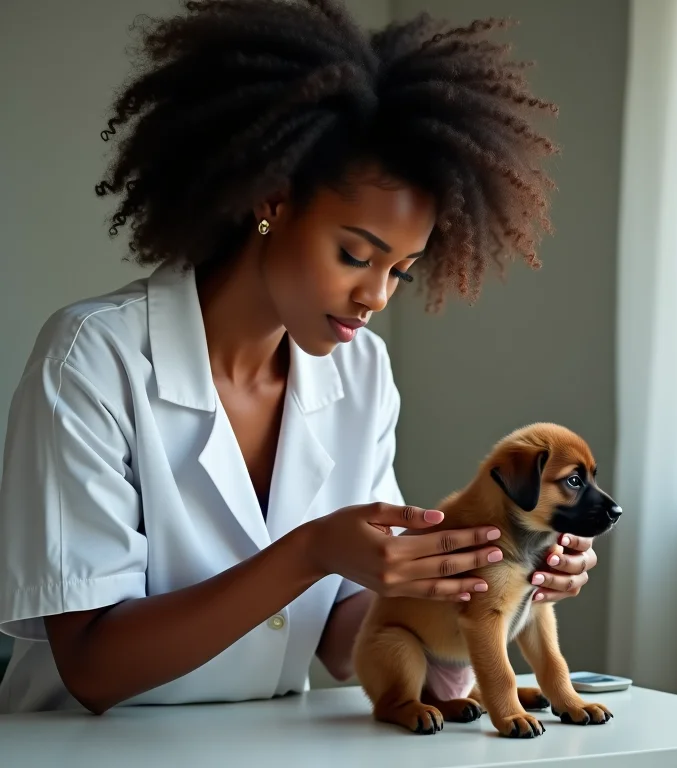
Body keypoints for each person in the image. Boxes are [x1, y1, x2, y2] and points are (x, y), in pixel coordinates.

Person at [0, 0, 598, 715]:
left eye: (401, 272)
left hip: (273, 746)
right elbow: (92, 668)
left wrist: (495, 577)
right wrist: (311, 551)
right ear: (272, 201)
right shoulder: (93, 359)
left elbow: (345, 639)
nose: (376, 295)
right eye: (355, 255)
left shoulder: (361, 372)